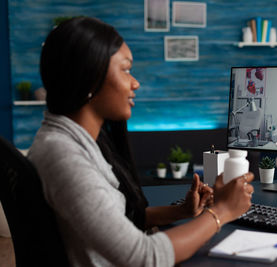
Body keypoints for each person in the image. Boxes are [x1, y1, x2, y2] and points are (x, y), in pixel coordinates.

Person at [27, 17, 254, 267]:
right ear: (90, 76)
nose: (135, 83)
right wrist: (221, 212)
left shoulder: (69, 142)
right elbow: (145, 256)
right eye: (125, 69)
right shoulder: (65, 158)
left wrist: (181, 212)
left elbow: (116, 223)